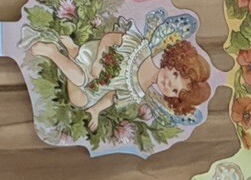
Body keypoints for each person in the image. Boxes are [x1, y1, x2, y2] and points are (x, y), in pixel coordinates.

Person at [30, 15, 211, 133]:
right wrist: (98, 61)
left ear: (172, 99)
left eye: (175, 91)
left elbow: (113, 96)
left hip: (98, 83)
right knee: (81, 78)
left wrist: (95, 110)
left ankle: (72, 54)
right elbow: (110, 38)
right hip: (95, 57)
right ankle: (54, 52)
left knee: (79, 100)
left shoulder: (137, 92)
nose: (169, 84)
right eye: (175, 76)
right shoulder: (140, 51)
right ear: (173, 63)